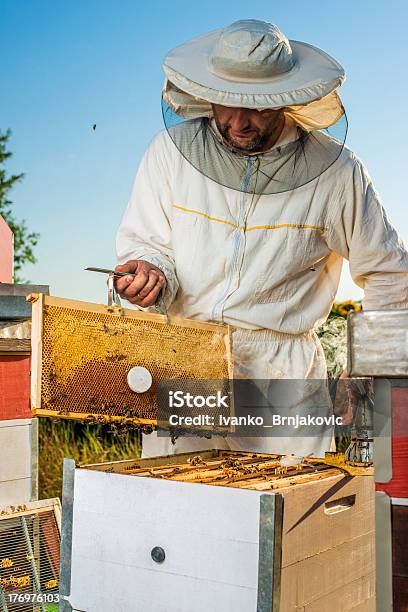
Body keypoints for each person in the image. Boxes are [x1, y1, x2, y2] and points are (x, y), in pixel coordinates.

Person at [115, 20, 408, 458]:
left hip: (283, 377)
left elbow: (389, 274)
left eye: (257, 108)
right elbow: (147, 243)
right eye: (225, 105)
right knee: (177, 510)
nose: (238, 123)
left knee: (289, 512)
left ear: (286, 100)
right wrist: (151, 273)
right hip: (187, 365)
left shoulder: (339, 172)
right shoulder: (168, 153)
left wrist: (368, 366)